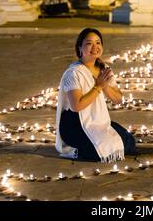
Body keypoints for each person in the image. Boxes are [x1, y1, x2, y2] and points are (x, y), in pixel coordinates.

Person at [55, 28, 136, 162]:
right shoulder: (74, 72)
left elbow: (118, 99)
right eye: (89, 43)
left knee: (128, 141)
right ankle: (76, 151)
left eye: (98, 43)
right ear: (79, 48)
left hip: (96, 119)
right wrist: (98, 86)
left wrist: (104, 85)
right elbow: (77, 106)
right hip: (74, 124)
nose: (95, 47)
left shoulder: (103, 68)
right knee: (99, 153)